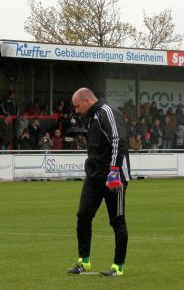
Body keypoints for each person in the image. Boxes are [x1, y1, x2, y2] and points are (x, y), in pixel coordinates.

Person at [67, 87, 129, 277]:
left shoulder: (107, 112)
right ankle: (83, 261)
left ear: (87, 101)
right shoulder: (92, 117)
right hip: (94, 177)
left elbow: (118, 140)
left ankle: (118, 266)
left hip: (113, 177)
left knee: (117, 220)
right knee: (83, 215)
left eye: (77, 106)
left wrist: (114, 171)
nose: (76, 111)